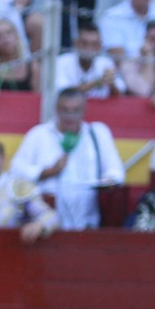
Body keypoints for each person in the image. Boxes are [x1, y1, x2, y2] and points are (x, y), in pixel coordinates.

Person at [11, 88, 125, 230]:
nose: (70, 116)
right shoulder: (39, 134)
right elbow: (16, 170)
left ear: (84, 111)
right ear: (56, 110)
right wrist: (50, 171)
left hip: (88, 219)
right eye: (64, 110)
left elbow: (116, 171)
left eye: (75, 110)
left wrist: (108, 181)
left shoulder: (98, 133)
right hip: (47, 222)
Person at [55, 22, 123, 98]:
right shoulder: (61, 61)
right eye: (84, 43)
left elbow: (120, 94)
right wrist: (98, 82)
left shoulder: (105, 63)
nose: (89, 48)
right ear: (75, 43)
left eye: (94, 44)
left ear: (100, 46)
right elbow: (64, 93)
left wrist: (111, 84)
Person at [0, 17, 37, 91]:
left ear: (16, 37)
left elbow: (38, 96)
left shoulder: (32, 67)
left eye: (8, 33)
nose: (4, 37)